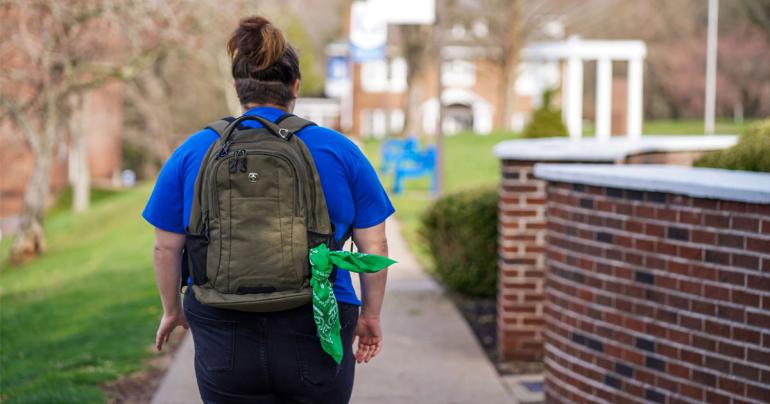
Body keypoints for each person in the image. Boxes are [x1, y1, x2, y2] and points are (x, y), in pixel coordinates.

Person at [141, 15, 394, 404]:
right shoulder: (339, 149)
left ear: (237, 89)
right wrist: (371, 316)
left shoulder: (194, 150)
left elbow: (165, 248)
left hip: (223, 325)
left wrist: (172, 310)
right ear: (295, 86)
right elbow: (374, 244)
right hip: (318, 321)